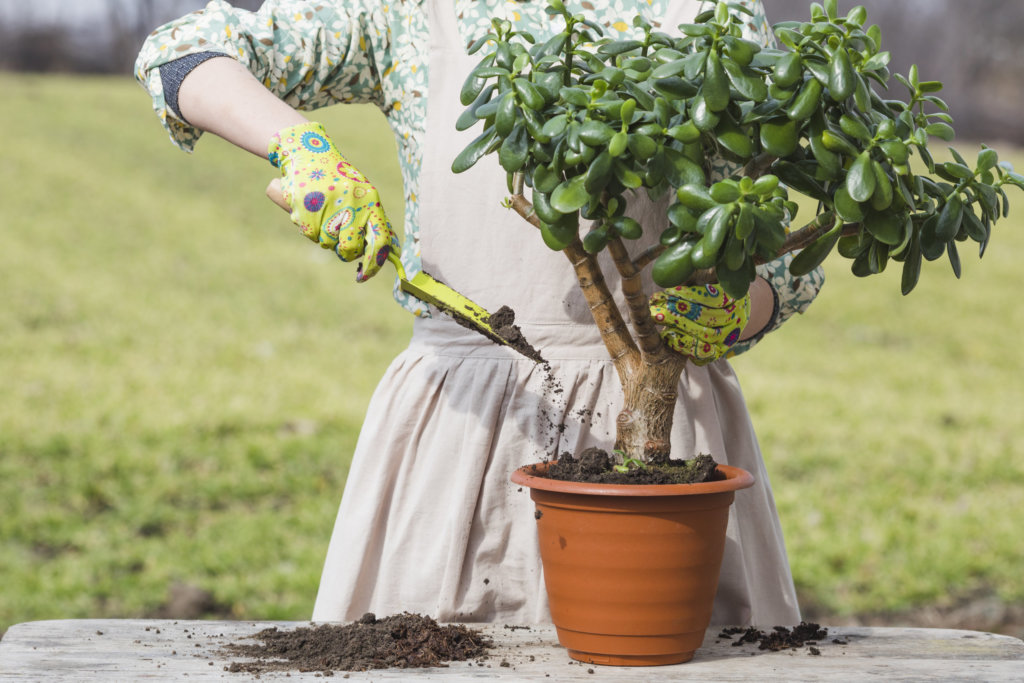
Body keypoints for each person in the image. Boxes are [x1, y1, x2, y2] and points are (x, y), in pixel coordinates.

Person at [136, 0, 824, 627]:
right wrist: (300, 148)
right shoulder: (410, 13)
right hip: (457, 441)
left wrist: (740, 307)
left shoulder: (715, 16)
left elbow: (789, 252)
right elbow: (182, 53)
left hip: (666, 443)